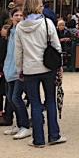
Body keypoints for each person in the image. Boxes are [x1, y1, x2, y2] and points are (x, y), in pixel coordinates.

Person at [15, 0, 66, 147]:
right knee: (50, 101)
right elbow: (57, 46)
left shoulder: (20, 27)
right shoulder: (47, 23)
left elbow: (18, 52)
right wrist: (59, 66)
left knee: (35, 103)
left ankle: (38, 139)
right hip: (48, 66)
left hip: (30, 68)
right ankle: (54, 135)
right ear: (38, 7)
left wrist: (20, 70)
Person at [3, 8, 31, 139]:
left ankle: (25, 125)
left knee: (16, 98)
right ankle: (19, 125)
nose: (19, 17)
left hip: (20, 70)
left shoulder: (24, 32)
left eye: (21, 15)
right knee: (10, 98)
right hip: (9, 69)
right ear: (11, 17)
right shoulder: (10, 32)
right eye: (16, 15)